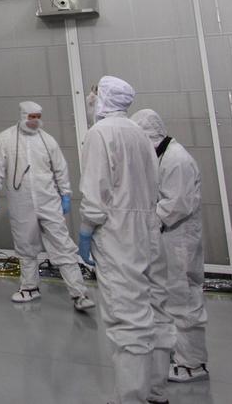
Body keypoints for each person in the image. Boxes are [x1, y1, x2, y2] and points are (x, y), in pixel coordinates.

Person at [77, 77, 174, 404]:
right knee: (155, 307)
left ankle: (131, 397)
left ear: (102, 97)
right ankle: (156, 390)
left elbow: (96, 191)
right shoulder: (138, 133)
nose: (90, 98)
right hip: (147, 229)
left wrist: (87, 229)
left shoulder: (100, 134)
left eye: (93, 92)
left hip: (119, 233)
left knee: (127, 317)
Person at [0, 101, 95, 311]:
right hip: (21, 203)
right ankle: (29, 288)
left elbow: (60, 169)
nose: (35, 121)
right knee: (25, 246)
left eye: (38, 117)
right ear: (23, 116)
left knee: (62, 244)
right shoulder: (6, 138)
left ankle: (79, 294)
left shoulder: (47, 141)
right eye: (31, 117)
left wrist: (65, 194)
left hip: (48, 201)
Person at [131, 108, 209, 384]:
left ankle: (192, 364)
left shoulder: (177, 159)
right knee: (171, 298)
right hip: (168, 238)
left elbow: (177, 203)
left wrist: (145, 222)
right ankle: (179, 355)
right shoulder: (161, 155)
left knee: (183, 299)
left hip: (179, 240)